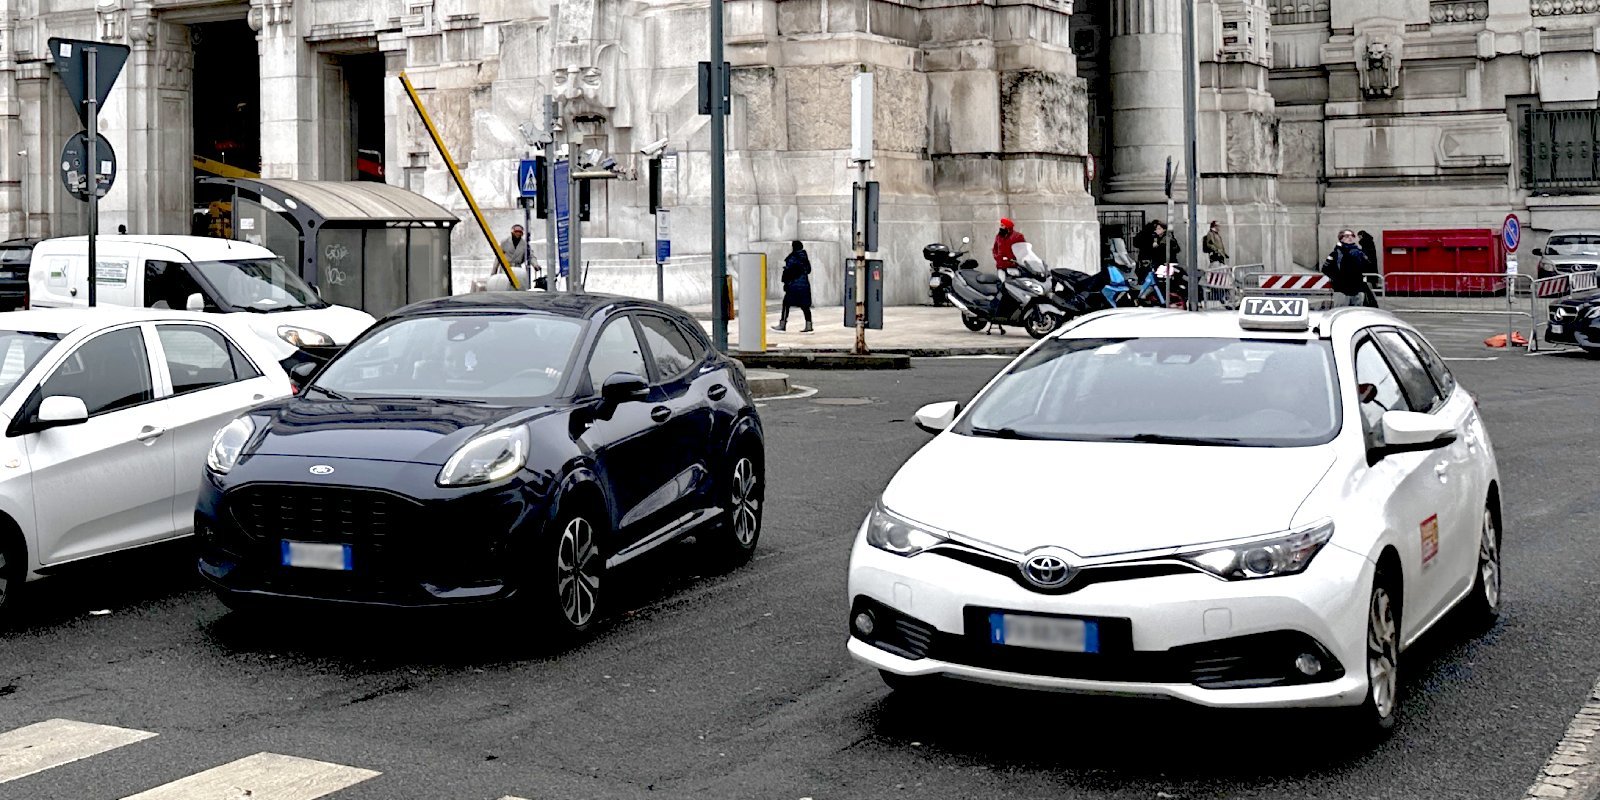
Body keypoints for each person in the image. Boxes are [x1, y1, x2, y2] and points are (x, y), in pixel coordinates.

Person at [1321, 229, 1372, 307]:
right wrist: (1338, 279)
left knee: (1357, 313)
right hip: (1341, 290)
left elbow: (1368, 266)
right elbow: (1325, 269)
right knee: (1341, 312)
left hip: (1358, 289)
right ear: (1341, 238)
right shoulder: (1335, 254)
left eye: (1352, 236)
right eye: (1347, 236)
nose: (1350, 238)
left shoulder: (1359, 252)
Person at [773, 240, 813, 333]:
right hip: (804, 285)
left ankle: (782, 324)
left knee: (786, 304)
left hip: (794, 285)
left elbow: (789, 271)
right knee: (805, 306)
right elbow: (808, 270)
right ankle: (809, 324)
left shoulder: (793, 257)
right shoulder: (804, 258)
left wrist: (786, 281)